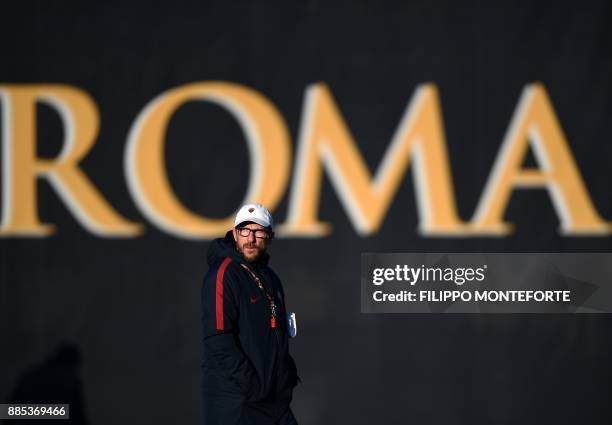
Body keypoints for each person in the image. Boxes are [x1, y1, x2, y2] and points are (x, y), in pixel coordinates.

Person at [201, 203, 299, 425]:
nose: (250, 238)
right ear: (235, 234)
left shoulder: (271, 279)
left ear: (270, 236)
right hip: (237, 404)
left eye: (258, 231)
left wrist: (284, 377)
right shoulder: (223, 274)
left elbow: (279, 332)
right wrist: (253, 386)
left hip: (273, 402)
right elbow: (218, 341)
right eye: (244, 230)